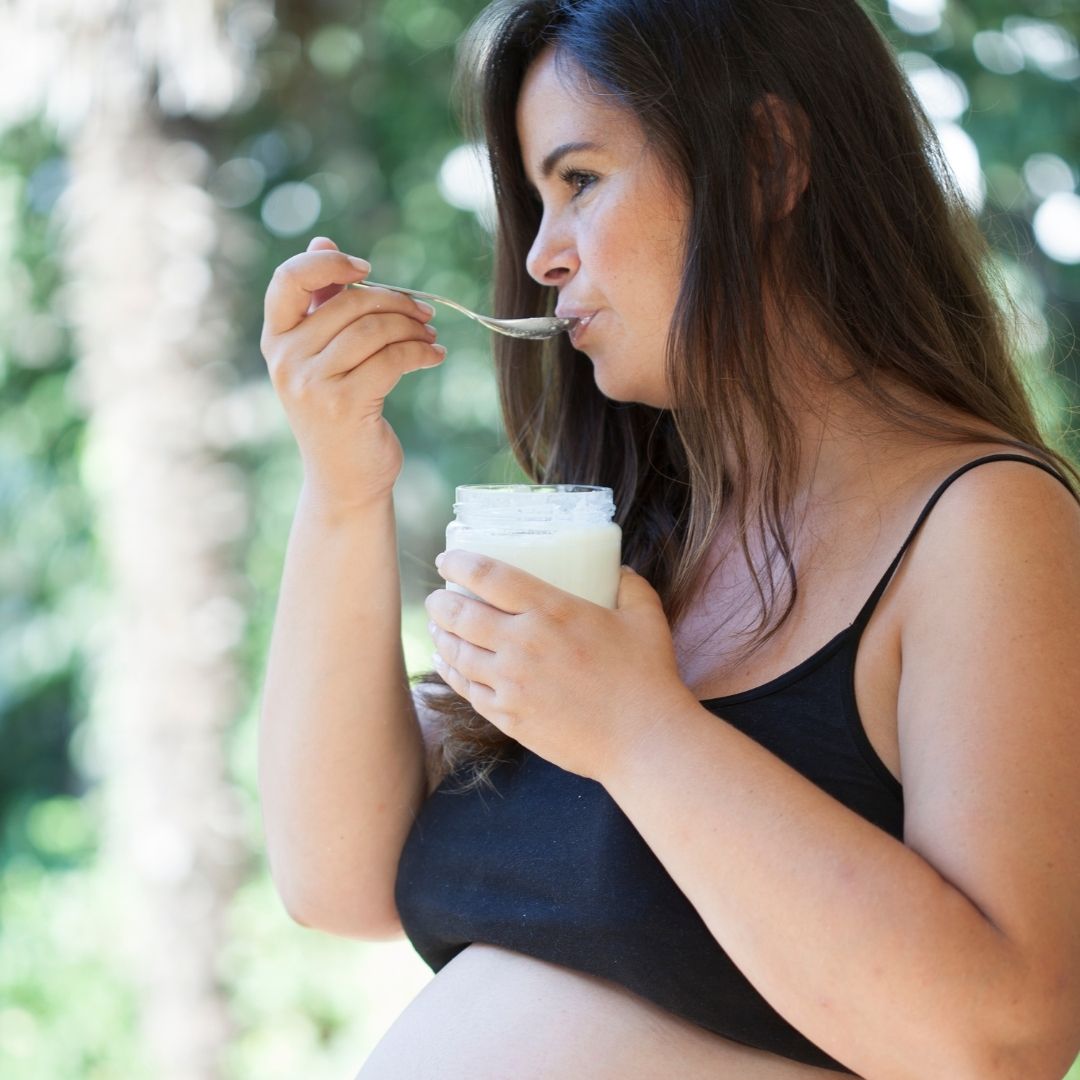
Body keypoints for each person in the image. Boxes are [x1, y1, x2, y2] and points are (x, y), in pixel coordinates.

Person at [257, 0, 1080, 1076]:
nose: (542, 256)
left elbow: (1005, 1036)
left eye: (580, 181)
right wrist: (342, 488)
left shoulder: (984, 526)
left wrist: (639, 733)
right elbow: (334, 879)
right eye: (536, 201)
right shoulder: (623, 542)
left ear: (764, 161)